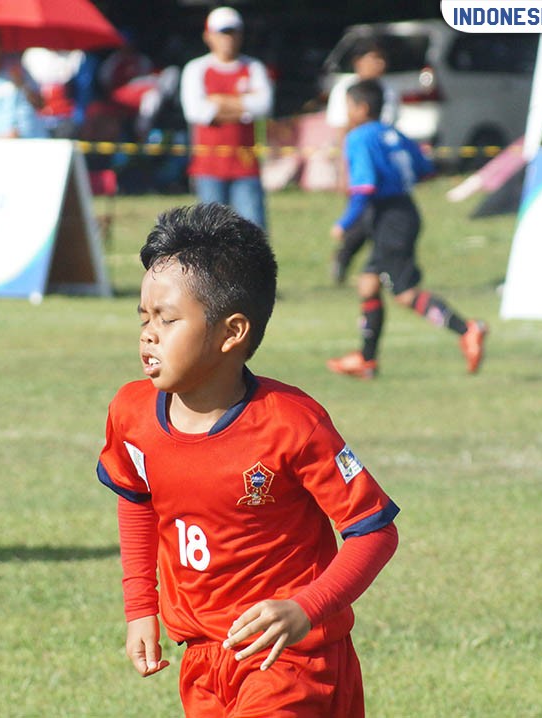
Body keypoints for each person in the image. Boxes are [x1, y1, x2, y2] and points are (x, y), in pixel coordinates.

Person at [97, 203, 399, 716]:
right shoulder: (132, 413)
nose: (148, 334)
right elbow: (137, 500)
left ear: (232, 332)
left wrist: (307, 608)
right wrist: (141, 608)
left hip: (292, 661)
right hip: (202, 659)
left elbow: (374, 531)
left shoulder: (291, 422)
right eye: (143, 317)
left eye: (167, 319)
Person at [327, 80, 488, 379]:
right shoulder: (394, 133)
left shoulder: (359, 137)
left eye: (348, 107)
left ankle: (467, 329)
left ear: (361, 108)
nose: (347, 113)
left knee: (403, 293)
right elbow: (425, 168)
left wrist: (345, 223)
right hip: (404, 210)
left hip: (389, 217)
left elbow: (364, 186)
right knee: (368, 283)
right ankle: (367, 359)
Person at [180, 7, 273, 229]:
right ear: (208, 36)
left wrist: (218, 101)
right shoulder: (196, 69)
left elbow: (263, 106)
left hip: (245, 165)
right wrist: (242, 105)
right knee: (211, 233)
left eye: (233, 32)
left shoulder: (253, 67)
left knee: (253, 230)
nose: (228, 38)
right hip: (209, 166)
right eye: (222, 32)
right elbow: (197, 111)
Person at [325, 39, 401, 285]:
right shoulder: (345, 90)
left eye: (381, 58)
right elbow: (341, 134)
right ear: (358, 62)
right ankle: (349, 257)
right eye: (373, 58)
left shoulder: (388, 91)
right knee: (365, 218)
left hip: (384, 170)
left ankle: (374, 266)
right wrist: (343, 172)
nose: (379, 64)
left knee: (377, 220)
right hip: (361, 167)